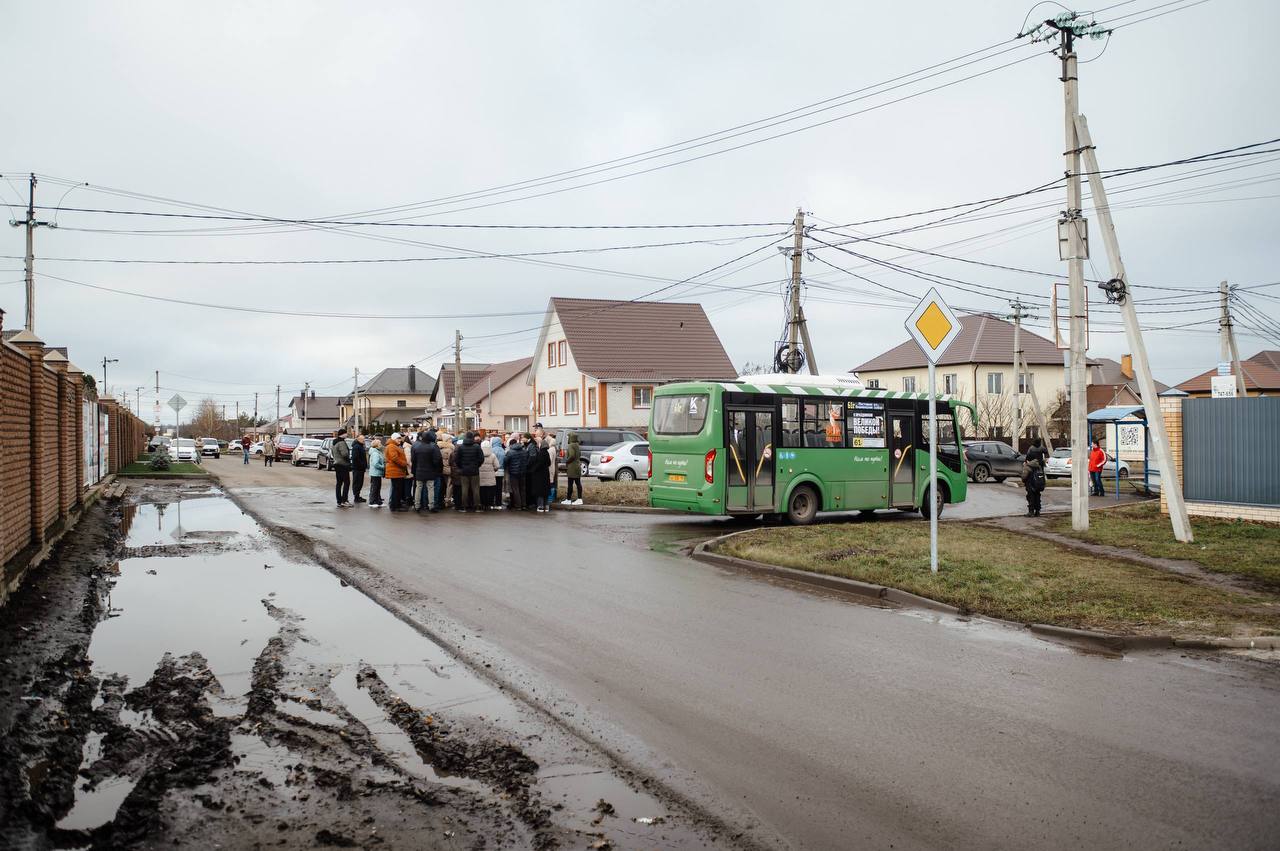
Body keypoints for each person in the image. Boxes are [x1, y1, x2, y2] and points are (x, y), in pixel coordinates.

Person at [411, 428, 443, 513]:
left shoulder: (416, 447)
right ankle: (431, 506)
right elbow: (437, 460)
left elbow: (413, 460)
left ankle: (417, 505)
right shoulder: (433, 447)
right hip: (430, 471)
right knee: (430, 488)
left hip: (419, 471)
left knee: (418, 488)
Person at [454, 431, 484, 512]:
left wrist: (461, 467)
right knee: (476, 489)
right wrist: (477, 465)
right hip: (474, 471)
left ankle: (464, 507)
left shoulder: (461, 447)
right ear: (473, 437)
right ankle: (477, 507)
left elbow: (456, 459)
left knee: (464, 489)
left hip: (464, 471)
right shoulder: (477, 447)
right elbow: (481, 458)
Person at [385, 432, 409, 511]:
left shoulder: (394, 446)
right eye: (398, 438)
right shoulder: (391, 446)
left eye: (400, 438)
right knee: (396, 490)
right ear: (394, 439)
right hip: (395, 471)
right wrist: (404, 463)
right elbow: (394, 458)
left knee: (397, 489)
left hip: (397, 471)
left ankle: (396, 504)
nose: (400, 440)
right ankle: (395, 506)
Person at [1023, 437, 1047, 517]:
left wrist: (1024, 480)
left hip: (1030, 482)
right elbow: (1046, 451)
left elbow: (1024, 477)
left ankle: (1031, 512)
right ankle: (1037, 511)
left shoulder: (1029, 465)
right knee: (1037, 495)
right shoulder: (1040, 465)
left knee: (1030, 496)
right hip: (1039, 481)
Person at [331, 428, 352, 507]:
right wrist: (348, 461)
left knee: (339, 483)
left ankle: (339, 501)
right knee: (347, 482)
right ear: (342, 434)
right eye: (346, 433)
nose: (347, 434)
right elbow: (345, 454)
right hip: (343, 465)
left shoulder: (334, 442)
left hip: (337, 464)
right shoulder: (342, 442)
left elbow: (332, 453)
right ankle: (344, 500)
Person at [505, 435, 527, 511]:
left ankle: (518, 505)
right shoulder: (524, 451)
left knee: (515, 489)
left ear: (511, 445)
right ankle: (524, 505)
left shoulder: (510, 452)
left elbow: (505, 461)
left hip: (513, 473)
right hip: (523, 472)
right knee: (522, 489)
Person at [562, 433, 583, 505]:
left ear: (571, 438)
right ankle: (580, 499)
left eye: (568, 437)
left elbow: (572, 455)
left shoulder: (571, 445)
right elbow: (579, 455)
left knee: (570, 484)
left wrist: (567, 461)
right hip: (577, 466)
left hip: (572, 467)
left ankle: (568, 499)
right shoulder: (577, 445)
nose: (568, 438)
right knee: (578, 483)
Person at [438, 431, 456, 510]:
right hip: (449, 469)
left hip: (442, 469)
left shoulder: (440, 448)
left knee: (443, 485)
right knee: (449, 485)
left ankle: (443, 499)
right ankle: (447, 501)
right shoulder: (450, 449)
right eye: (449, 439)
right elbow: (451, 460)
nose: (451, 440)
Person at [479, 438, 499, 509]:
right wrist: (493, 470)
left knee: (482, 491)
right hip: (490, 477)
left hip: (481, 477)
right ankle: (489, 504)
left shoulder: (479, 455)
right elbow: (497, 466)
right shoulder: (493, 455)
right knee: (490, 491)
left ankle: (482, 504)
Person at [368, 438, 386, 508]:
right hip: (375, 473)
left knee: (377, 488)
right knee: (375, 488)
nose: (381, 445)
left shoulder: (377, 452)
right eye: (380, 444)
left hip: (376, 473)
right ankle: (372, 502)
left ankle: (378, 501)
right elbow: (375, 464)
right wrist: (383, 467)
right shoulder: (375, 453)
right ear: (376, 445)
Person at [351, 433, 368, 504]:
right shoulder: (356, 447)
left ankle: (357, 496)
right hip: (357, 468)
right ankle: (356, 497)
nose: (364, 440)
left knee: (360, 483)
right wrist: (362, 465)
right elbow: (355, 458)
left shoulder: (360, 446)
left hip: (360, 468)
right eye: (362, 439)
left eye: (364, 439)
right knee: (357, 483)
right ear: (358, 439)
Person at [490, 436, 506, 508]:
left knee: (492, 488)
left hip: (493, 471)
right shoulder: (503, 450)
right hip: (501, 471)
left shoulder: (492, 450)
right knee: (499, 488)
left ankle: (492, 503)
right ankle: (498, 504)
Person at [545, 433, 559, 507]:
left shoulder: (550, 450)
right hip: (552, 467)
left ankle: (550, 498)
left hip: (550, 468)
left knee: (550, 483)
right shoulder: (554, 448)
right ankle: (552, 497)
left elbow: (549, 461)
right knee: (552, 483)